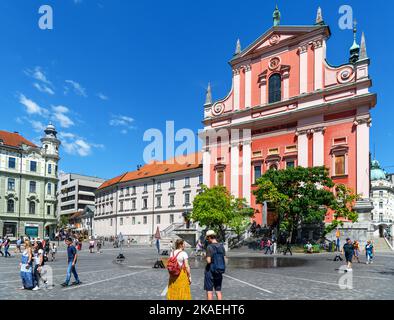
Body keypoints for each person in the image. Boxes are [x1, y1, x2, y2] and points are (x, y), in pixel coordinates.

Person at [204, 230, 226, 301]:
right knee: (218, 290)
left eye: (207, 238)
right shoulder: (221, 246)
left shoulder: (209, 247)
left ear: (210, 237)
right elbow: (225, 259)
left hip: (210, 271)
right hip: (219, 270)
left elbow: (208, 261)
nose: (207, 240)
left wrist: (205, 256)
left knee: (209, 291)